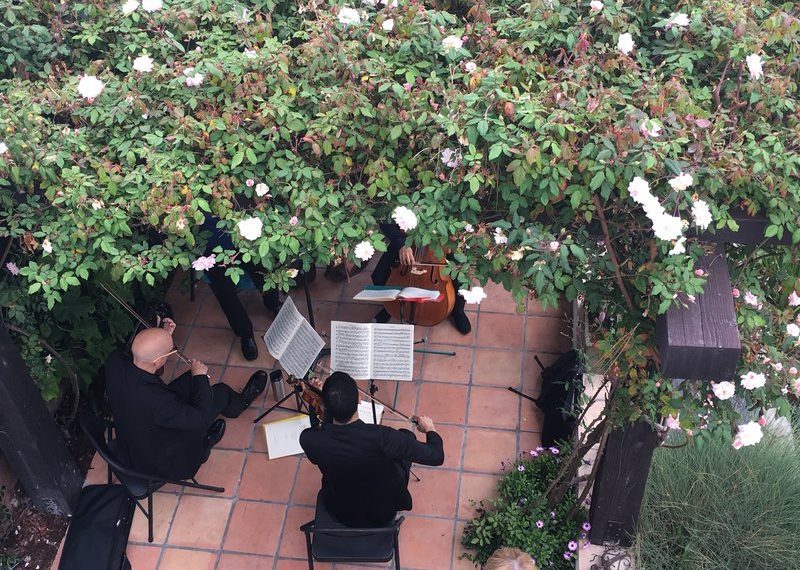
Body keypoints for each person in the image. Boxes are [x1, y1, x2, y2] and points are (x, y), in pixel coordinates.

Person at [104, 320, 268, 480]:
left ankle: (205, 434)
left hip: (134, 435)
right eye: (170, 351)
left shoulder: (115, 361)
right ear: (158, 361)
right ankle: (234, 410)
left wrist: (164, 335)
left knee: (190, 380)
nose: (172, 352)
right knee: (221, 392)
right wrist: (201, 379)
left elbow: (148, 355)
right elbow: (200, 419)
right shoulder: (159, 403)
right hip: (159, 461)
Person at [299, 372, 444, 527]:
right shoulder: (384, 438)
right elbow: (436, 456)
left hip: (340, 511)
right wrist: (430, 429)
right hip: (382, 514)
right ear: (359, 400)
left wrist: (325, 401)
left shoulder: (310, 439)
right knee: (407, 435)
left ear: (326, 406)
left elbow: (321, 431)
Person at [371, 220, 471, 334]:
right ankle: (390, 305)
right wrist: (402, 243)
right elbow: (385, 221)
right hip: (407, 240)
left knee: (461, 281)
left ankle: (457, 311)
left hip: (440, 241)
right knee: (378, 276)